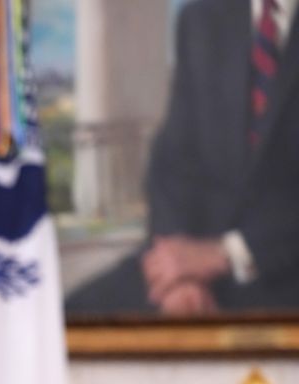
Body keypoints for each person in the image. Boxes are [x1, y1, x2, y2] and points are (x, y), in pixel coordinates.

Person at [67, 0, 299, 315]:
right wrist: (177, 275)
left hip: (282, 267)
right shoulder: (202, 19)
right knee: (70, 322)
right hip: (196, 264)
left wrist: (228, 254)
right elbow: (171, 167)